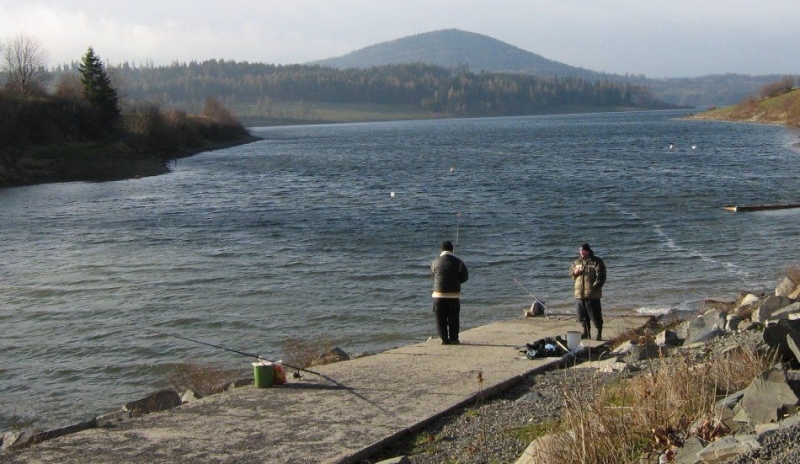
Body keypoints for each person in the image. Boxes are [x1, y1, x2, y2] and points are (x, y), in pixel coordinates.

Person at [431, 240, 469, 345]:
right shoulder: (459, 262)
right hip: (453, 294)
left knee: (440, 318)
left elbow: (433, 276)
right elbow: (465, 277)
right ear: (452, 249)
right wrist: (456, 282)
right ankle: (454, 339)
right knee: (454, 317)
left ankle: (444, 339)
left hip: (438, 294)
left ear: (441, 250)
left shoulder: (434, 262)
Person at [570, 243, 606, 340]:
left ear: (589, 251)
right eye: (581, 250)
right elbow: (570, 274)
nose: (582, 252)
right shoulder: (576, 262)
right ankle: (586, 333)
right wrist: (574, 272)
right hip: (579, 294)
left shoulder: (596, 261)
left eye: (584, 250)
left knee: (595, 316)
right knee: (582, 316)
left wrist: (595, 287)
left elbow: (601, 277)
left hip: (592, 295)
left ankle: (599, 333)